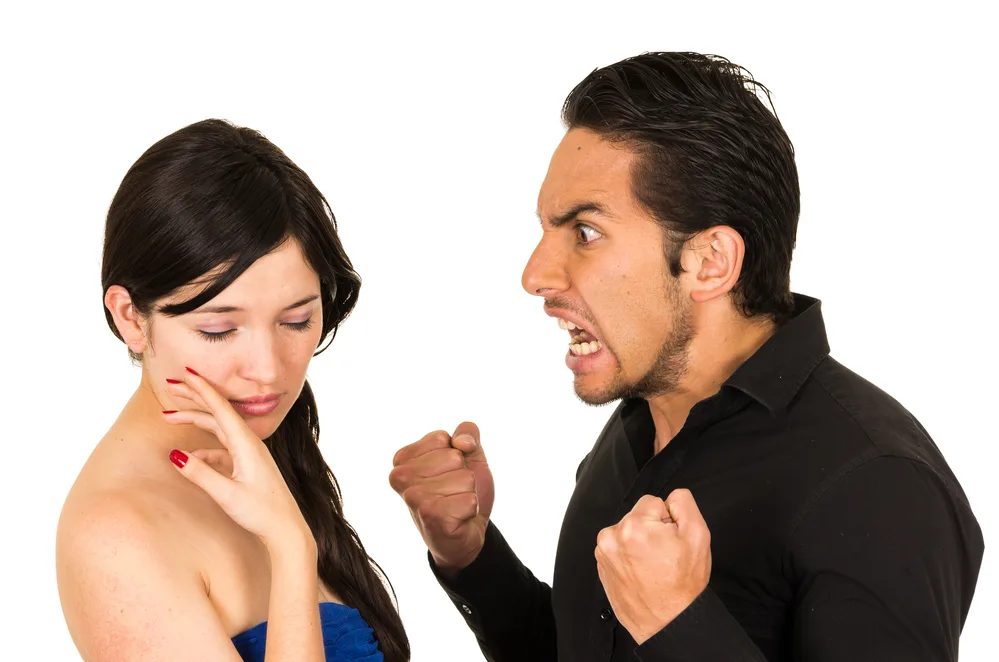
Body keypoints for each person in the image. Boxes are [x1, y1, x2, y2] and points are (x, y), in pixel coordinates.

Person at [389, 52, 985, 661]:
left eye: (585, 232)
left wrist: (679, 626)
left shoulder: (876, 482)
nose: (535, 274)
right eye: (545, 231)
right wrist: (471, 557)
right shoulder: (636, 429)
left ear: (710, 262)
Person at [56, 119, 409, 662]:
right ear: (131, 318)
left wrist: (463, 553)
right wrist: (291, 550)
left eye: (296, 321)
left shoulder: (262, 456)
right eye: (219, 331)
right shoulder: (115, 535)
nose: (267, 371)